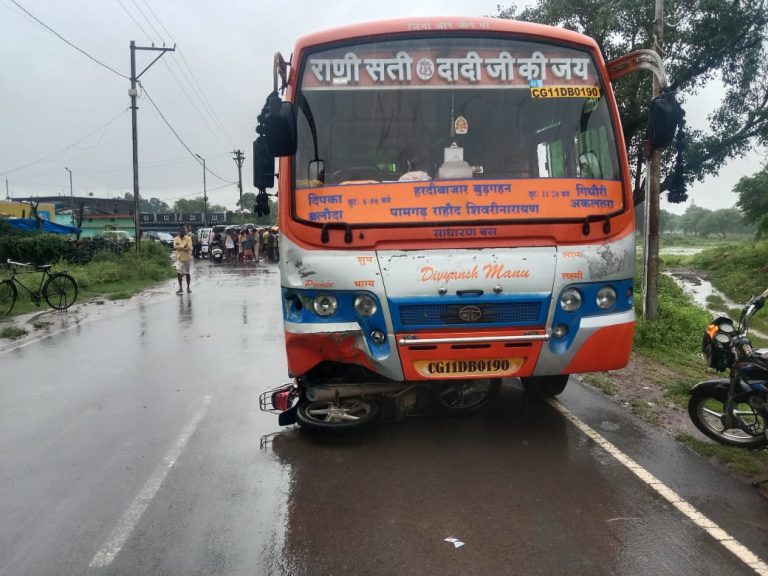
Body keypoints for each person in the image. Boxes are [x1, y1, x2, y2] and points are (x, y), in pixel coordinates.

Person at [173, 226, 193, 294]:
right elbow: (175, 247)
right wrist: (184, 246)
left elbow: (189, 247)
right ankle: (180, 287)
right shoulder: (176, 238)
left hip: (187, 258)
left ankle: (188, 287)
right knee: (179, 272)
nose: (183, 232)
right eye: (181, 231)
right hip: (179, 258)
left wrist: (180, 246)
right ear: (179, 232)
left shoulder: (188, 238)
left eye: (184, 231)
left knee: (187, 273)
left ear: (185, 232)